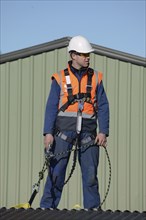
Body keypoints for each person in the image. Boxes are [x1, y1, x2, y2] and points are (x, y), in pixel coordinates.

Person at [40, 35, 109, 209]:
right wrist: (48, 133)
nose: (87, 57)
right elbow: (51, 107)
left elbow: (103, 106)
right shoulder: (59, 78)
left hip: (89, 134)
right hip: (62, 134)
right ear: (73, 55)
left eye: (88, 54)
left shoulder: (96, 78)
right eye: (83, 54)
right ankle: (46, 210)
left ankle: (92, 211)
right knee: (56, 173)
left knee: (91, 175)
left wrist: (103, 131)